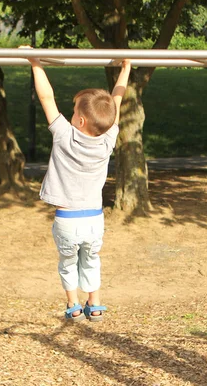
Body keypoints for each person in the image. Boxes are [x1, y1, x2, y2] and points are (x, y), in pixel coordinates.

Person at [23, 47, 131, 322]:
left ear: (79, 120)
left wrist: (34, 62)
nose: (68, 115)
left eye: (72, 112)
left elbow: (46, 97)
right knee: (92, 259)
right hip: (95, 217)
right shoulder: (108, 139)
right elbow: (116, 104)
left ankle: (73, 304)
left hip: (67, 218)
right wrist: (126, 69)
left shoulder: (64, 135)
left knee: (68, 261)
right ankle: (94, 303)